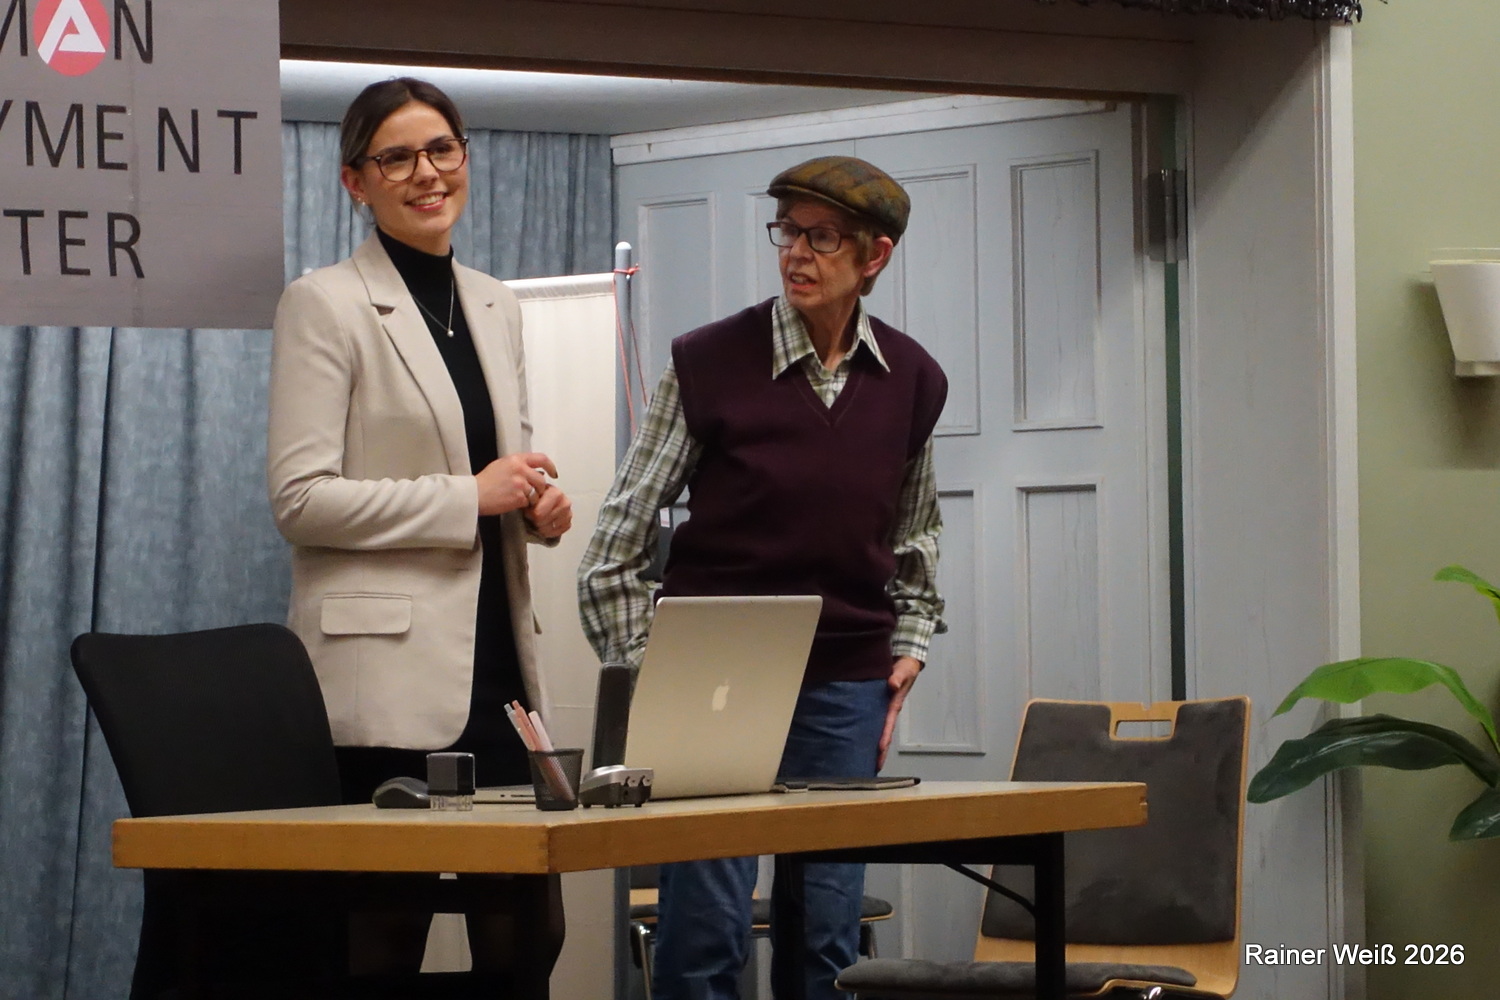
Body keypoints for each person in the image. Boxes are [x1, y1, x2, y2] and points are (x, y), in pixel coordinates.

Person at [578, 156, 947, 1000]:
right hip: (714, 679)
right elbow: (614, 546)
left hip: (845, 679)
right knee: (705, 929)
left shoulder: (913, 379)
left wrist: (911, 644)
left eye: (824, 237)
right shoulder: (710, 361)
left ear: (875, 256)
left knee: (828, 935)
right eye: (788, 230)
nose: (797, 253)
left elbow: (916, 529)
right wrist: (652, 668)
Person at [266, 77, 572, 980]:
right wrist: (466, 497)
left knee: (529, 934)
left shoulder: (495, 302)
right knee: (385, 938)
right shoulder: (323, 302)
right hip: (385, 682)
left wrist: (536, 510)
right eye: (396, 158)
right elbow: (300, 500)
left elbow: (498, 475)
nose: (427, 173)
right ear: (355, 182)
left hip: (500, 670)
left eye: (442, 149)